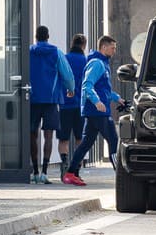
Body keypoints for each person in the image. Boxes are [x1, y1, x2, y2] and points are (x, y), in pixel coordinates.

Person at [63, 35, 126, 186]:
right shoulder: (97, 63)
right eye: (113, 48)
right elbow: (87, 85)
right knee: (113, 140)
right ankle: (122, 177)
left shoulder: (103, 63)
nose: (114, 51)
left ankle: (70, 173)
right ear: (104, 47)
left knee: (86, 142)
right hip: (97, 110)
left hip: (97, 110)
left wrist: (118, 98)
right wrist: (97, 102)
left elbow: (104, 89)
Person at [29, 26, 74, 184]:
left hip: (32, 98)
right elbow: (67, 74)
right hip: (51, 99)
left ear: (36, 36)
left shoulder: (29, 51)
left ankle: (34, 171)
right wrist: (71, 89)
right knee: (48, 136)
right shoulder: (56, 52)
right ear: (48, 36)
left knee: (32, 134)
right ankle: (45, 172)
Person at [56, 33, 87, 181]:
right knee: (80, 139)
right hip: (80, 105)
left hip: (64, 105)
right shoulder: (86, 61)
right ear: (84, 45)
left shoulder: (64, 59)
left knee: (64, 139)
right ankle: (75, 171)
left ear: (71, 43)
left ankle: (64, 164)